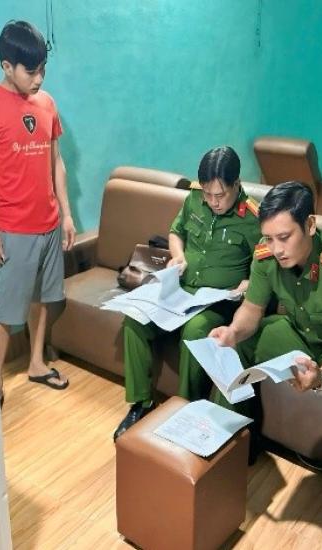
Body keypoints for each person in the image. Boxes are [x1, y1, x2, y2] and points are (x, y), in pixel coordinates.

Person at [210, 181, 322, 550]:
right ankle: (230, 446)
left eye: (284, 237)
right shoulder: (266, 255)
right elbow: (252, 311)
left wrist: (320, 377)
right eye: (269, 238)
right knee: (238, 347)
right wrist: (232, 332)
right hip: (301, 334)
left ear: (310, 224)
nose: (276, 248)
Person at [113, 146, 262, 441]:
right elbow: (176, 232)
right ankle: (141, 404)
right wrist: (178, 255)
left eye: (220, 195)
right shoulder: (194, 197)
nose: (213, 201)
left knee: (195, 331)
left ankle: (185, 409)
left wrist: (249, 284)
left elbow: (264, 267)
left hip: (218, 302)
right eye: (208, 194)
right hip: (182, 292)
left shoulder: (254, 217)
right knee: (135, 320)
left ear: (236, 184)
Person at [0, 20, 76, 405]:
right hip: (13, 227)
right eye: (31, 71)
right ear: (6, 65)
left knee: (43, 297)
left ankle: (36, 363)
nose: (39, 78)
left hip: (49, 222)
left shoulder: (46, 103)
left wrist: (66, 213)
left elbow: (56, 161)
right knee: (5, 311)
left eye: (43, 69)